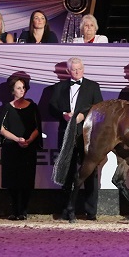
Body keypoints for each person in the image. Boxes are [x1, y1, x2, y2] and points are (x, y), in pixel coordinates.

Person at [49, 57, 103, 220]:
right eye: (74, 69)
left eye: (80, 68)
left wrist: (83, 116)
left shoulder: (93, 86)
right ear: (68, 71)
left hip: (87, 136)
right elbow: (51, 108)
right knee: (67, 172)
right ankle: (67, 210)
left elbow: (99, 110)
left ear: (83, 68)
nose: (78, 71)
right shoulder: (59, 88)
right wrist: (63, 115)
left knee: (90, 172)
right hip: (66, 135)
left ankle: (91, 211)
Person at [0, 75, 42, 220]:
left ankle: (23, 211)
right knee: (13, 181)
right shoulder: (7, 108)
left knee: (27, 180)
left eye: (23, 87)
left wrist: (28, 140)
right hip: (11, 149)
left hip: (28, 149)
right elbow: (2, 129)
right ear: (12, 91)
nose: (22, 90)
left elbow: (37, 128)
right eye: (18, 88)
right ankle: (14, 210)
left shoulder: (33, 106)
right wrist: (17, 139)